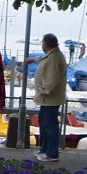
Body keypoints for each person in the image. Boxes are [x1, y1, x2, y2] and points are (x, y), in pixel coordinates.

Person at [29, 33, 68, 162]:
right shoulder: (52, 56)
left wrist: (41, 91)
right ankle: (45, 150)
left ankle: (52, 153)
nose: (42, 45)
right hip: (47, 99)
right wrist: (32, 60)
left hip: (50, 99)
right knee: (44, 124)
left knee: (50, 126)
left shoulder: (54, 58)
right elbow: (42, 60)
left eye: (42, 43)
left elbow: (51, 81)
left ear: (45, 44)